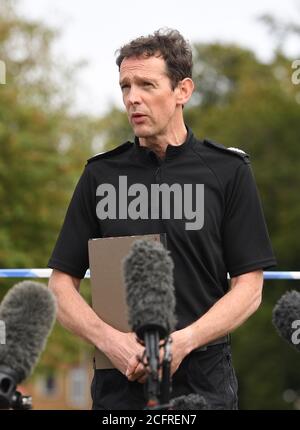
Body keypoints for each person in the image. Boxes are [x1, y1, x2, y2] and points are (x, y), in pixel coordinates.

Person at [48, 29, 276, 410]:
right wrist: (110, 342)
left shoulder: (228, 171)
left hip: (205, 382)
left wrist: (185, 341)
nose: (132, 98)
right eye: (125, 86)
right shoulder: (99, 175)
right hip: (119, 383)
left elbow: (249, 289)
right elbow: (60, 286)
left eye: (146, 84)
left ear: (182, 91)